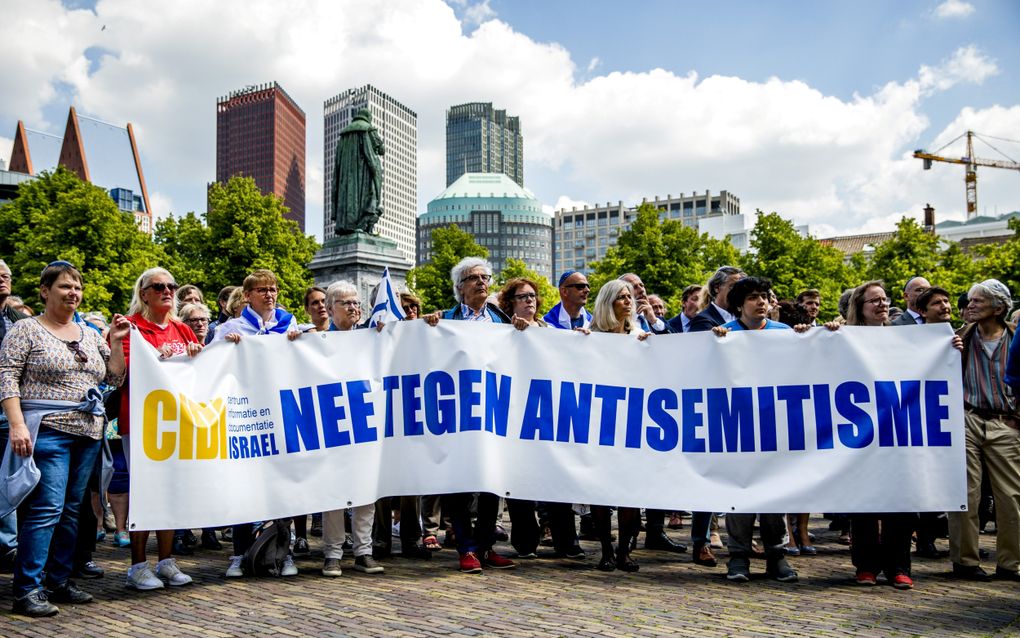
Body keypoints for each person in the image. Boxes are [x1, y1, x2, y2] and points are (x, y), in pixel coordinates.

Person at [0, 261, 129, 617]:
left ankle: (58, 579)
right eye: (65, 287)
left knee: (73, 510)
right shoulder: (26, 329)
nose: (73, 293)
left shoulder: (88, 332)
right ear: (45, 291)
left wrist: (116, 343)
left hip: (88, 431)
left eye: (77, 287)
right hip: (48, 430)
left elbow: (114, 378)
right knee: (47, 509)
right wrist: (17, 424)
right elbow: (7, 377)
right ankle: (27, 588)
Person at [424, 259, 515, 573]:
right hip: (457, 414)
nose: (481, 282)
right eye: (472, 278)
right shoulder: (443, 321)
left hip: (492, 412)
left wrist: (525, 333)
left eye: (484, 277)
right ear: (459, 287)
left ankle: (486, 546)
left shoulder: (504, 322)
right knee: (459, 484)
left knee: (492, 483)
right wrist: (426, 328)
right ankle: (466, 548)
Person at [117, 267, 202, 591]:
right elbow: (123, 372)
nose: (168, 290)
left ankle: (165, 561)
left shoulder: (182, 330)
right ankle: (138, 565)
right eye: (159, 286)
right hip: (141, 423)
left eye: (172, 286)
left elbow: (201, 372)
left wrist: (196, 354)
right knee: (145, 490)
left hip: (177, 423)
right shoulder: (132, 328)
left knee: (172, 489)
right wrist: (157, 359)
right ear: (144, 294)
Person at [710, 276, 798, 584]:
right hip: (738, 426)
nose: (761, 301)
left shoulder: (784, 333)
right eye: (753, 298)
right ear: (739, 305)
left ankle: (777, 556)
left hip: (775, 425)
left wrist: (810, 338)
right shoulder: (725, 334)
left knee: (773, 492)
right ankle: (738, 556)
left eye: (764, 296)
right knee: (740, 493)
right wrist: (714, 344)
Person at [214, 269, 301, 578]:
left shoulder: (288, 323)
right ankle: (238, 554)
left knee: (283, 485)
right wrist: (227, 348)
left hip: (279, 414)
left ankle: (283, 552)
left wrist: (298, 344)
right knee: (243, 484)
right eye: (262, 289)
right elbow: (215, 367)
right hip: (247, 416)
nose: (270, 294)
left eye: (273, 289)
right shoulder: (232, 328)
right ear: (247, 296)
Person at [841, 281, 916, 588]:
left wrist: (949, 350)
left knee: (900, 497)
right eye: (874, 301)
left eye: (885, 300)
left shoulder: (906, 339)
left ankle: (898, 565)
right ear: (859, 307)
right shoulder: (844, 339)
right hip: (860, 430)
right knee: (865, 500)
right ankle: (866, 565)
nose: (882, 305)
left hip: (898, 428)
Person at [316, 279, 388, 577]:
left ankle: (363, 551)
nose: (354, 307)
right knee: (332, 490)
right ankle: (333, 553)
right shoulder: (316, 341)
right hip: (333, 423)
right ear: (330, 308)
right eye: (346, 303)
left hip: (365, 421)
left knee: (365, 490)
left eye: (357, 302)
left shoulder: (371, 337)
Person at [950, 279, 1020, 582]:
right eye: (971, 300)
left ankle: (1010, 563)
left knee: (1010, 497)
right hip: (968, 418)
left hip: (1006, 422)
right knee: (965, 493)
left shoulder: (1016, 338)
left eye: (978, 301)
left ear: (998, 307)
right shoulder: (959, 338)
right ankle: (965, 561)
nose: (970, 304)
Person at [586, 279, 649, 572]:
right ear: (608, 303)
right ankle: (606, 550)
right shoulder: (590, 337)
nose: (628, 301)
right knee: (601, 491)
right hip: (600, 421)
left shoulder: (640, 336)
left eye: (629, 297)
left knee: (629, 492)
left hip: (632, 421)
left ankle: (625, 551)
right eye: (621, 297)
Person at [0, 258, 29, 571]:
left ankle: (7, 546)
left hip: (12, 410)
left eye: (6, 275)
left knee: (9, 476)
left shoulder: (18, 320)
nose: (2, 280)